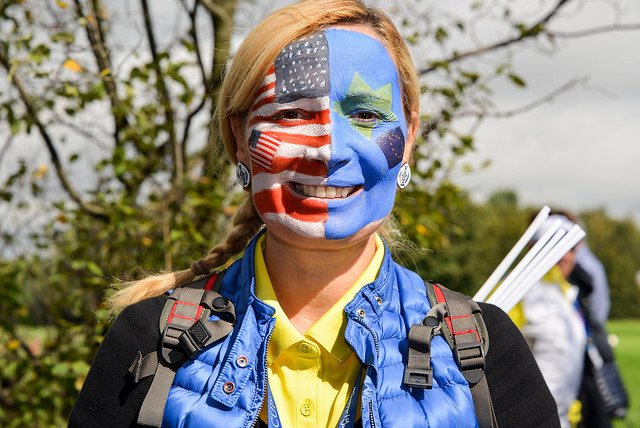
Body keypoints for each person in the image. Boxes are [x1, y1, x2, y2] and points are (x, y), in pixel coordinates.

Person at [69, 1, 559, 427]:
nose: (329, 152)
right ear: (239, 139)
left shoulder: (484, 352)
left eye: (366, 114)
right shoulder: (151, 344)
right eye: (291, 115)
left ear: (409, 137)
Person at [510, 214, 588, 428]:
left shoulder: (567, 292)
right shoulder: (517, 291)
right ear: (534, 247)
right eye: (554, 245)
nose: (563, 256)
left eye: (570, 248)